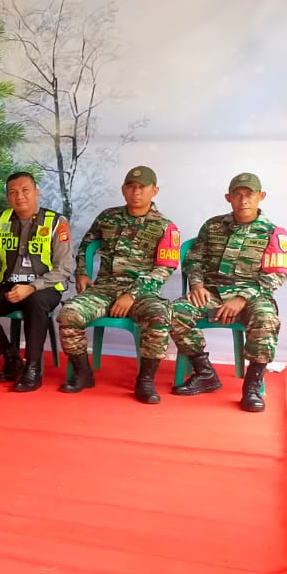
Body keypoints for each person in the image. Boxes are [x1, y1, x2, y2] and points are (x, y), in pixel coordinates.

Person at [56, 166, 180, 403]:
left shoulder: (166, 227)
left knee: (160, 316)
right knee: (69, 314)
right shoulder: (108, 217)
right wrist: (82, 273)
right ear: (123, 189)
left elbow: (165, 269)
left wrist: (131, 295)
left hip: (143, 293)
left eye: (142, 187)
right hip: (104, 288)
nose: (136, 192)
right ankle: (83, 372)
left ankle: (145, 381)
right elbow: (86, 245)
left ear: (154, 190)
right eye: (131, 186)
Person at [169, 172, 287, 413]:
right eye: (238, 194)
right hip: (211, 293)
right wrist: (197, 285)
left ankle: (252, 387)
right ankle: (205, 373)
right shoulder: (212, 226)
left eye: (250, 194)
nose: (243, 200)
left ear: (261, 196)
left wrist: (242, 298)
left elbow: (277, 274)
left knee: (266, 319)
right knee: (173, 312)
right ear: (228, 198)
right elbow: (194, 259)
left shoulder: (274, 233)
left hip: (253, 297)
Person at [0, 172, 74, 392]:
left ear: (36, 192)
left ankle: (33, 368)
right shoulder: (1, 219)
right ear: (8, 197)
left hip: (44, 286)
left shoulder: (56, 222)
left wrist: (32, 287)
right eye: (13, 192)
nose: (19, 197)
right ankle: (11, 357)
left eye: (25, 191)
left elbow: (64, 268)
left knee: (35, 303)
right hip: (9, 284)